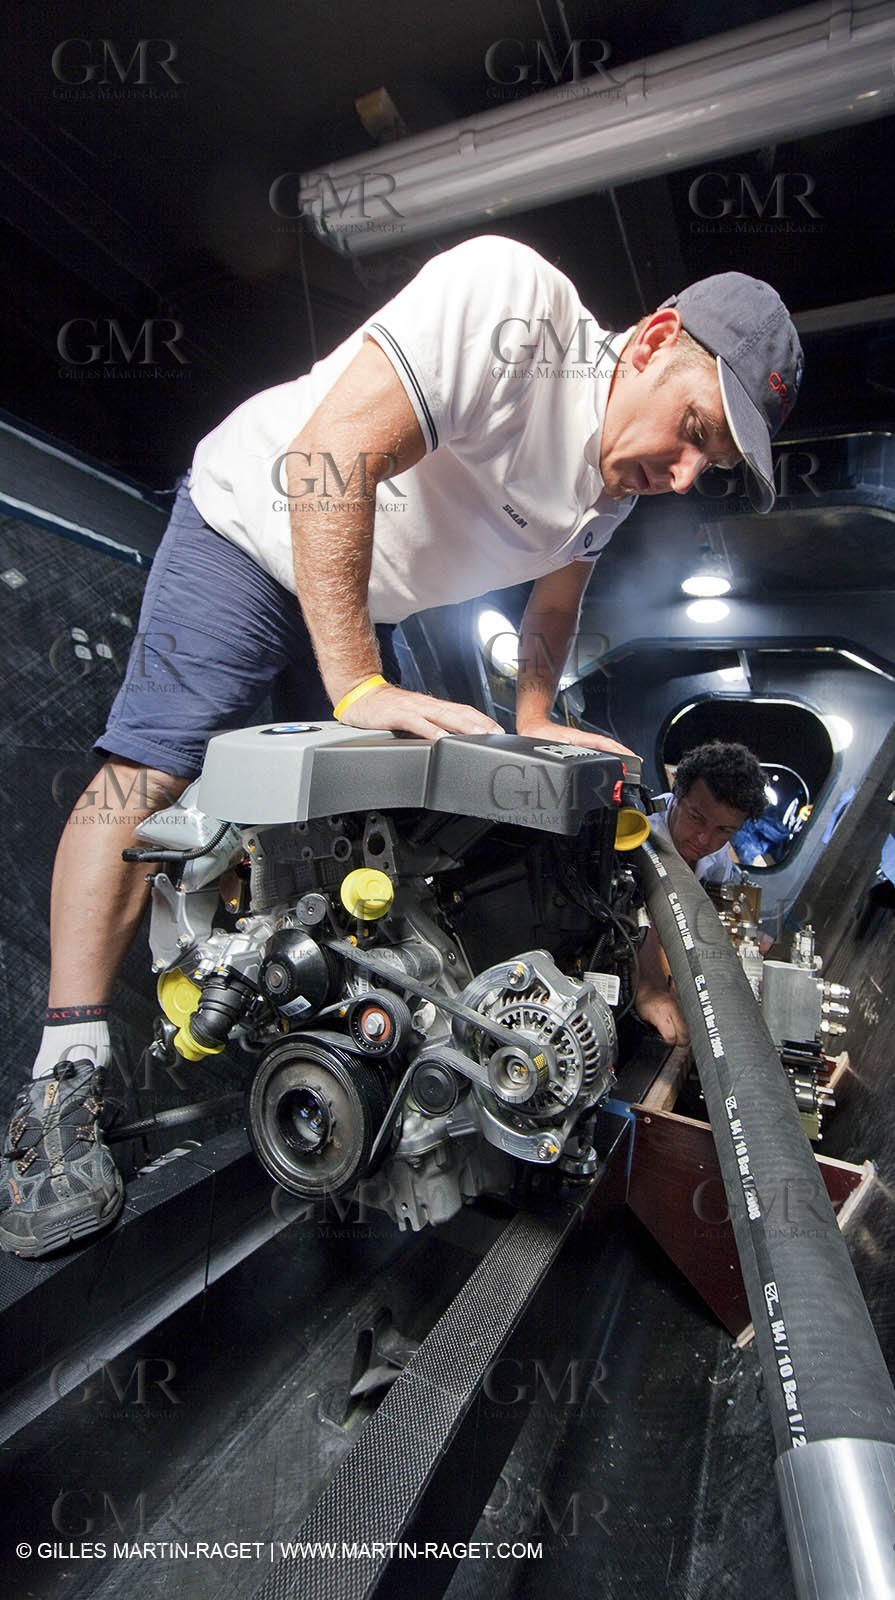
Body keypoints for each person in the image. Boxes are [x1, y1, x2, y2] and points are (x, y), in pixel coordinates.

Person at [0, 234, 802, 1256]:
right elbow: (326, 455)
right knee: (148, 772)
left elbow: (562, 587)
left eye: (712, 465)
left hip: (351, 587)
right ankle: (57, 1087)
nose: (684, 472)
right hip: (254, 525)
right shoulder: (515, 310)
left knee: (340, 828)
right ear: (650, 340)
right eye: (692, 428)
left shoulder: (614, 486)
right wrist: (359, 684)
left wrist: (533, 711)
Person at [635, 740, 772, 1047]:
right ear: (678, 796)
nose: (704, 839)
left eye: (724, 831)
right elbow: (636, 920)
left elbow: (714, 906)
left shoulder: (717, 855)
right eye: (697, 817)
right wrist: (650, 990)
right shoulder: (641, 834)